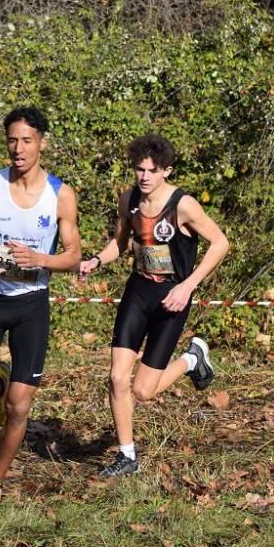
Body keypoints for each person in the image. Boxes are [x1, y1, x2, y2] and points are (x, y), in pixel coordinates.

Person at [78, 133, 229, 477]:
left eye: (151, 170)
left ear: (166, 171)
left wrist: (189, 285)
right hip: (138, 292)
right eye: (139, 169)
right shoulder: (128, 200)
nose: (144, 176)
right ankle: (127, 456)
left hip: (172, 299)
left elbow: (220, 243)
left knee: (143, 391)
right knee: (117, 377)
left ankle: (192, 359)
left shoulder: (183, 205)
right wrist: (96, 261)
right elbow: (119, 242)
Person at [0, 106, 82, 507]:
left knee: (20, 406)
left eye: (27, 140)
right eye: (12, 140)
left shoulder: (60, 196)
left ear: (42, 143)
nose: (18, 148)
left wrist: (40, 260)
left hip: (31, 305)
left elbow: (74, 255)